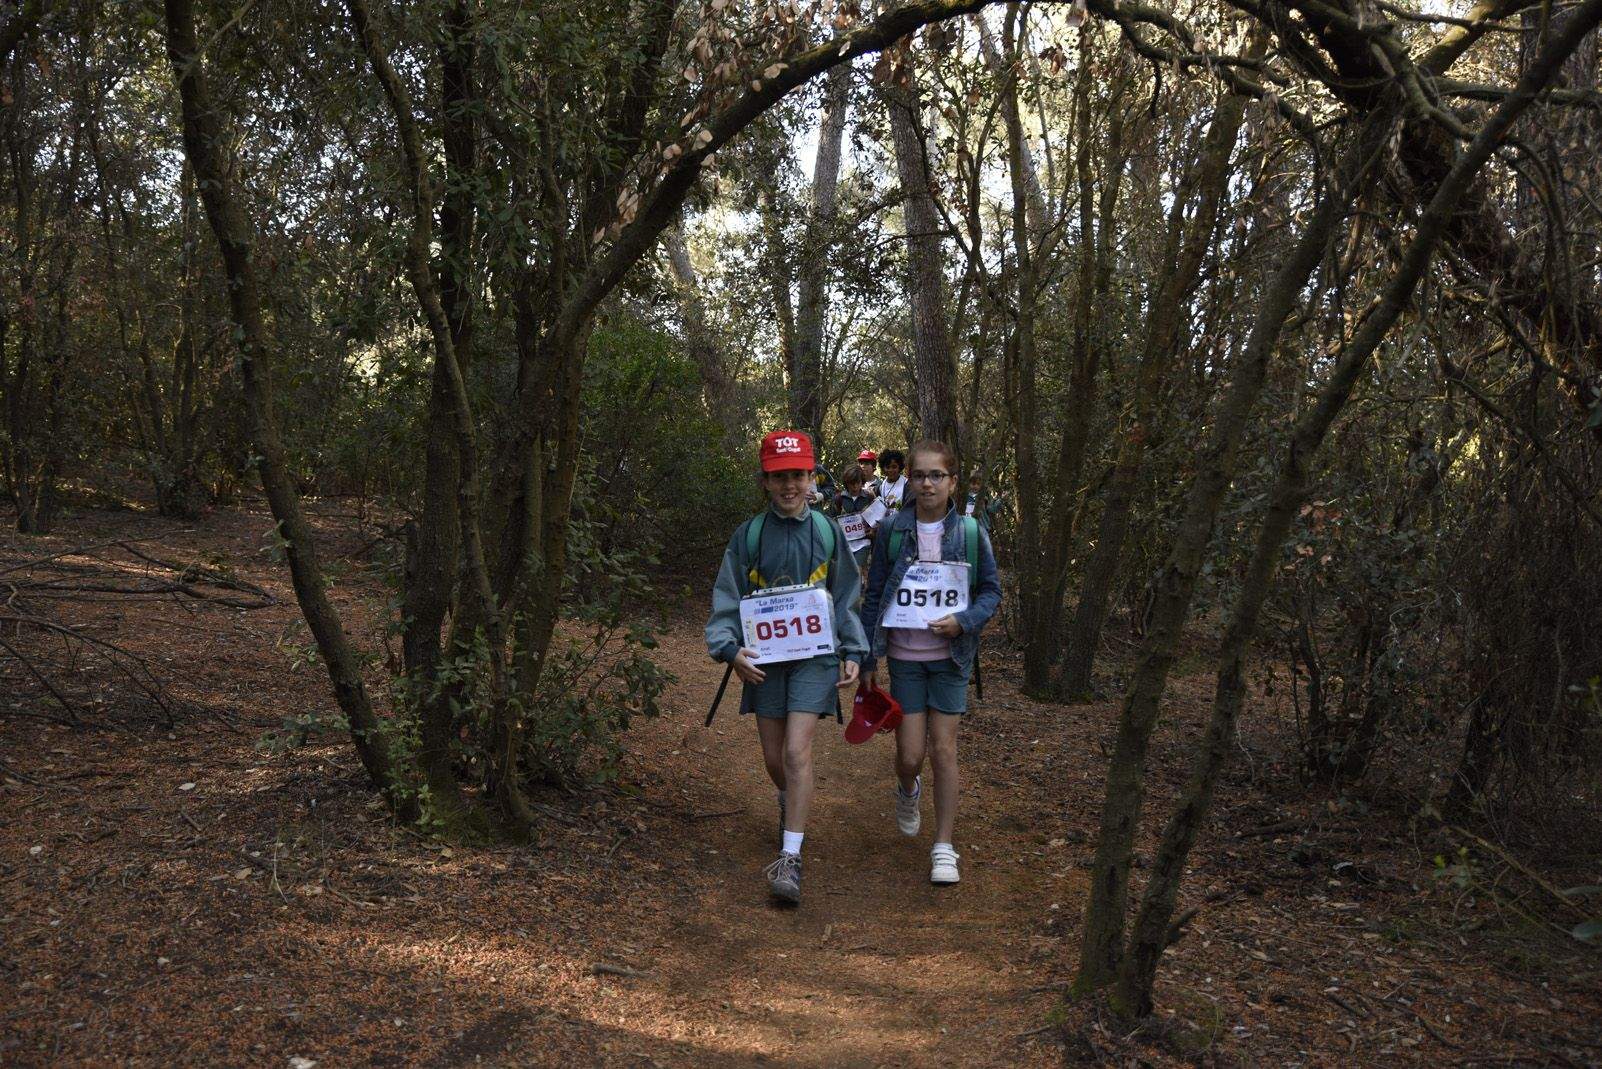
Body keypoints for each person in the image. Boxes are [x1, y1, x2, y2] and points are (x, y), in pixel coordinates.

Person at [705, 430, 866, 905]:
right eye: (779, 477)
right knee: (776, 761)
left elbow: (845, 595)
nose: (789, 485)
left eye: (797, 475)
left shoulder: (828, 530)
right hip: (765, 661)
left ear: (811, 477)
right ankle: (790, 800)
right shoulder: (749, 535)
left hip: (815, 657)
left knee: (796, 754)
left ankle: (790, 858)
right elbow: (727, 595)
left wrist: (853, 650)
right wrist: (729, 650)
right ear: (765, 481)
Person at [858, 440, 1001, 885]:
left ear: (952, 481)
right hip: (905, 658)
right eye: (919, 475)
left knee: (944, 750)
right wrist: (867, 656)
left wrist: (964, 621)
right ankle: (907, 789)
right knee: (910, 754)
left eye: (936, 475)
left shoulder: (971, 534)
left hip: (951, 660)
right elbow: (875, 593)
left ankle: (944, 846)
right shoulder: (893, 532)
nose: (926, 483)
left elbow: (991, 592)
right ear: (910, 481)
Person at [832, 464, 877, 574]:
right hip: (845, 544)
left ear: (862, 482)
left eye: (858, 483)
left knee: (856, 570)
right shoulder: (839, 499)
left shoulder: (869, 497)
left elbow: (876, 519)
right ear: (847, 483)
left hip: (863, 542)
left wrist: (873, 531)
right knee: (850, 573)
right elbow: (831, 520)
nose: (855, 486)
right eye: (852, 483)